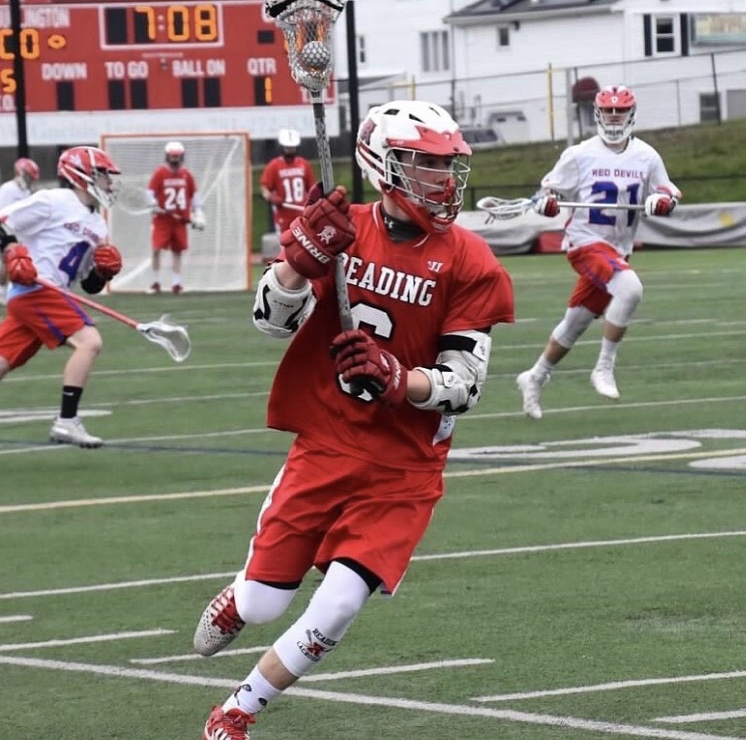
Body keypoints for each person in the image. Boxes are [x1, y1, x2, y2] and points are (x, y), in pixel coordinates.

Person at [192, 99, 514, 740]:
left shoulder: (471, 260)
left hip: (405, 466)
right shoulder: (340, 228)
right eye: (427, 166)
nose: (444, 182)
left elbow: (464, 385)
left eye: (450, 168)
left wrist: (400, 380)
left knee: (337, 605)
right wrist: (298, 263)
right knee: (262, 605)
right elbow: (269, 320)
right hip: (329, 443)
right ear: (385, 165)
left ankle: (237, 711)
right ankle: (241, 594)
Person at [516, 84, 681, 420]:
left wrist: (662, 200)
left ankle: (534, 376)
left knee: (574, 323)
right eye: (609, 110)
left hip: (617, 248)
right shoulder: (580, 154)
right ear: (598, 114)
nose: (614, 116)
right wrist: (546, 203)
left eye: (620, 110)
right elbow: (548, 196)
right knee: (631, 288)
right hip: (585, 240)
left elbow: (669, 192)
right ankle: (604, 367)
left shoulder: (647, 156)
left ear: (631, 114)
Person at [0, 146, 123, 447]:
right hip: (36, 288)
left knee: (2, 360)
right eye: (104, 175)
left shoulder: (97, 223)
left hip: (51, 292)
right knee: (89, 341)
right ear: (83, 175)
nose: (109, 182)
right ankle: (67, 421)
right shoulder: (54, 201)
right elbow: (3, 222)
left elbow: (88, 284)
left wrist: (103, 273)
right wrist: (13, 251)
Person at [146, 141, 206, 294]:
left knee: (177, 251)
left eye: (177, 157)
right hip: (162, 218)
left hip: (180, 219)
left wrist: (198, 211)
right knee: (156, 249)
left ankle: (176, 283)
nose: (175, 160)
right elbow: (150, 193)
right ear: (167, 157)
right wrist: (153, 204)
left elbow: (194, 195)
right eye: (173, 157)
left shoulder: (186, 175)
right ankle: (155, 281)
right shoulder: (160, 173)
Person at [260, 128, 315, 237]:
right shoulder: (273, 166)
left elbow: (312, 188)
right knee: (285, 247)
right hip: (283, 215)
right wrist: (271, 197)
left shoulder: (304, 164)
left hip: (302, 214)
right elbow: (264, 188)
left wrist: (312, 203)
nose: (290, 150)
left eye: (292, 148)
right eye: (287, 148)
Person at [0, 158, 41, 304]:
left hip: (18, 231)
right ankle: (3, 290)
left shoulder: (26, 192)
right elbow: (3, 212)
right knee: (7, 259)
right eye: (28, 177)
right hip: (6, 229)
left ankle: (8, 289)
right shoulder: (9, 189)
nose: (30, 181)